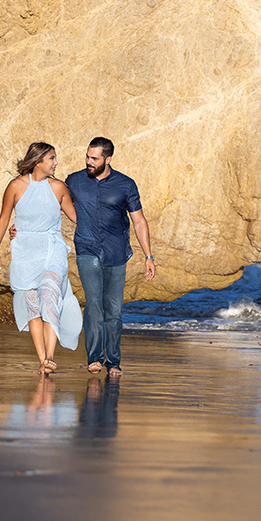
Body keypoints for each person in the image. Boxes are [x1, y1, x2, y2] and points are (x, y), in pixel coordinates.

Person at [65, 137, 156, 377]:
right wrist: (21, 228)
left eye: (94, 158)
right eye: (87, 156)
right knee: (93, 304)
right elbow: (52, 206)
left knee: (113, 310)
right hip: (87, 249)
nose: (89, 162)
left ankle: (113, 361)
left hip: (116, 253)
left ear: (108, 159)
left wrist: (149, 256)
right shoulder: (74, 181)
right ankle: (94, 358)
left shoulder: (126, 185)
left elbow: (138, 220)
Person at [0, 143, 82, 374]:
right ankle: (42, 360)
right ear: (38, 161)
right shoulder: (15, 186)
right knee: (33, 307)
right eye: (52, 158)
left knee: (50, 296)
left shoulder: (59, 187)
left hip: (52, 250)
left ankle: (51, 356)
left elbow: (77, 218)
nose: (55, 163)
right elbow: (4, 218)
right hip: (24, 251)